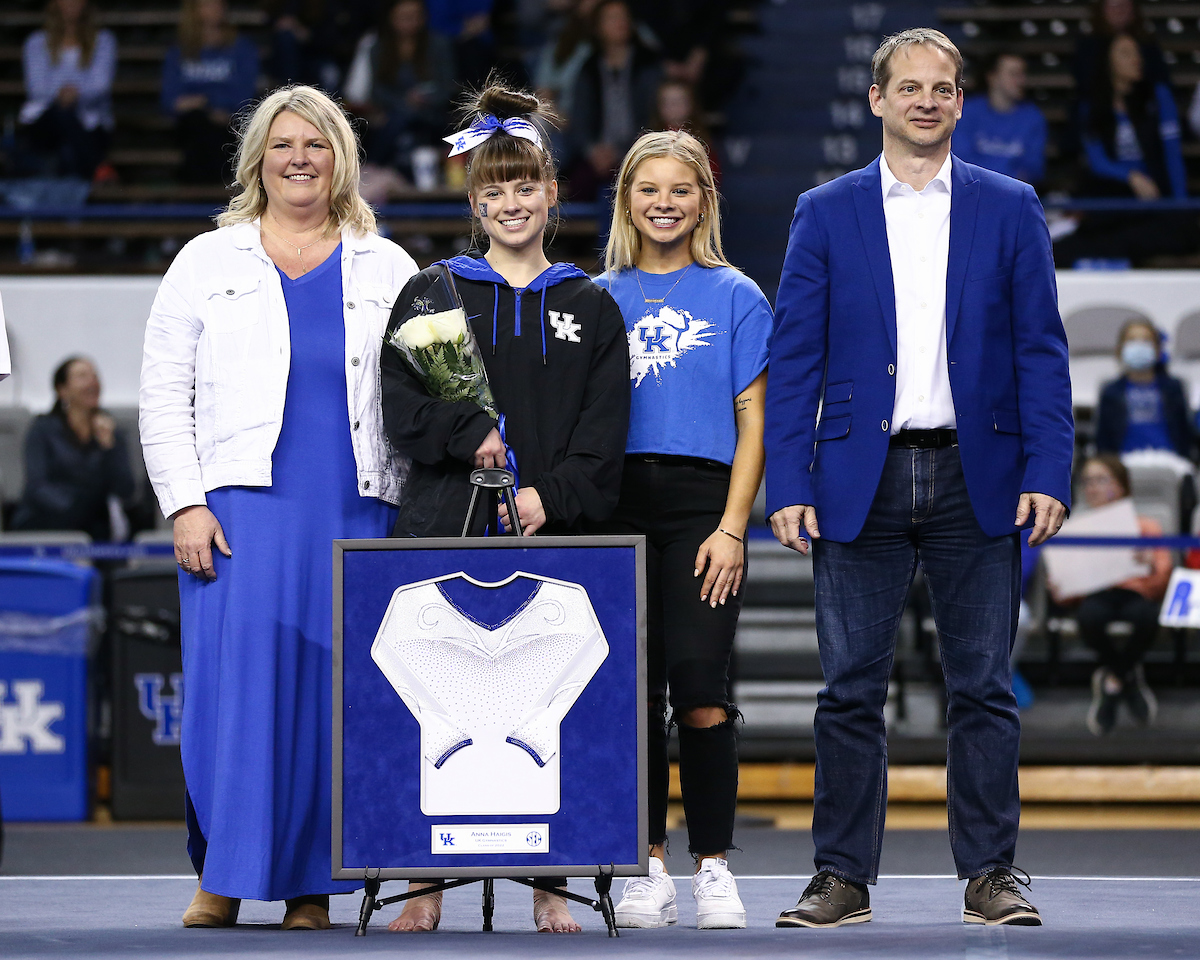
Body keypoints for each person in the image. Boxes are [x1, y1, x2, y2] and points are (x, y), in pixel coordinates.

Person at [765, 29, 1073, 928]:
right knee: (848, 691)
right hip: (859, 478)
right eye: (909, 87)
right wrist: (790, 478)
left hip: (980, 477)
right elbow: (796, 356)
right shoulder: (824, 210)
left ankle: (990, 874)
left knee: (982, 688)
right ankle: (842, 878)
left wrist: (1048, 466)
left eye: (942, 88)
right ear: (876, 100)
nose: (926, 101)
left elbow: (1041, 352)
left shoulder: (1010, 205)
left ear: (960, 102)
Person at [139, 85, 416, 930]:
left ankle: (311, 888)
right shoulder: (205, 260)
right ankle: (221, 876)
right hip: (237, 515)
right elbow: (162, 395)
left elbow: (441, 390)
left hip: (359, 511)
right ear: (258, 157)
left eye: (317, 144)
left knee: (336, 703)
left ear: (342, 159)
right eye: (283, 144)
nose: (300, 158)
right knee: (235, 699)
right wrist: (185, 503)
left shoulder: (391, 265)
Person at [379, 79, 629, 933]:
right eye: (494, 191)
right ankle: (421, 879)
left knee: (541, 707)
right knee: (439, 705)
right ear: (474, 201)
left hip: (553, 534)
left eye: (527, 187)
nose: (512, 203)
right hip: (444, 524)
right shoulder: (433, 292)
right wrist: (466, 431)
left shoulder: (590, 304)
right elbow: (402, 415)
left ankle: (549, 877)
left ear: (553, 193)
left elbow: (605, 443)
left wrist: (542, 498)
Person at [595, 130, 771, 930]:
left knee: (700, 689)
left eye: (680, 190)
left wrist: (734, 528)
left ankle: (712, 867)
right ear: (626, 200)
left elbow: (753, 418)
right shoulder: (596, 296)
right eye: (648, 190)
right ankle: (648, 868)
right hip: (613, 503)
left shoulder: (737, 295)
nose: (663, 203)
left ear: (705, 200)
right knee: (632, 695)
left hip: (703, 506)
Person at [1055, 455, 1170, 736]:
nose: (1093, 487)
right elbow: (1065, 597)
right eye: (1088, 481)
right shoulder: (1075, 530)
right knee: (1089, 617)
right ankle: (1126, 676)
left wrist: (1150, 564)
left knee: (1146, 617)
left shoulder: (1146, 527)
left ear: (1121, 485)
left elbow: (1162, 580)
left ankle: (1113, 679)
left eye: (1101, 480)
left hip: (1135, 593)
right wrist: (1062, 585)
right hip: (1096, 597)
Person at [11, 357, 134, 541]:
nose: (92, 382)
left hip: (96, 523)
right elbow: (37, 487)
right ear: (62, 390)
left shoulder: (110, 429)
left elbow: (126, 489)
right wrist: (76, 508)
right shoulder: (43, 429)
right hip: (49, 517)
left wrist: (108, 448)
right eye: (82, 376)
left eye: (94, 376)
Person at [343, 0, 454, 173]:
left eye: (415, 16)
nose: (411, 22)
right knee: (396, 120)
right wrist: (404, 101)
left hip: (432, 111)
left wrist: (425, 98)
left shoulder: (438, 44)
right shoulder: (377, 47)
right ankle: (375, 169)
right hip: (393, 113)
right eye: (404, 17)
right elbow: (377, 91)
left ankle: (374, 165)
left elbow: (447, 86)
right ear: (391, 18)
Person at [160, 0, 260, 183]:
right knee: (198, 124)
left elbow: (244, 96)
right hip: (191, 124)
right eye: (207, 4)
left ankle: (196, 190)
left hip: (227, 122)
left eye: (218, 3)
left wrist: (209, 103)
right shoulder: (179, 51)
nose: (214, 9)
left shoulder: (241, 48)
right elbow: (170, 100)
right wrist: (206, 105)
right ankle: (207, 191)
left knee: (210, 134)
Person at [569, 0, 660, 198]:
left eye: (624, 17)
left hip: (639, 151)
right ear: (597, 27)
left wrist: (623, 151)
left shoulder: (648, 64)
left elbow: (654, 117)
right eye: (612, 18)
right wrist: (592, 151)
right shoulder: (589, 69)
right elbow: (579, 119)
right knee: (576, 187)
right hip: (597, 155)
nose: (621, 23)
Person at [18, 0, 116, 180]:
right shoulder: (36, 42)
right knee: (62, 114)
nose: (71, 3)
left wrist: (76, 94)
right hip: (44, 121)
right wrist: (61, 94)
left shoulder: (104, 40)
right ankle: (98, 165)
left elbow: (101, 85)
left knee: (68, 143)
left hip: (89, 122)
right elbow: (36, 87)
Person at [1094, 319, 1194, 458]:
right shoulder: (1111, 392)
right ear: (1119, 350)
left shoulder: (1173, 389)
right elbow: (1104, 440)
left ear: (1158, 350)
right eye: (1132, 340)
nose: (1139, 345)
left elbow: (1184, 434)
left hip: (1170, 462)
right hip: (1124, 463)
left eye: (1146, 340)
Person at [952, 52, 1046, 186]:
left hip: (1013, 195)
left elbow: (1033, 167)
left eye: (1022, 74)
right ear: (992, 77)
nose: (1021, 81)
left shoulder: (1033, 117)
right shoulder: (966, 112)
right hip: (970, 191)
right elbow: (960, 162)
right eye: (1014, 74)